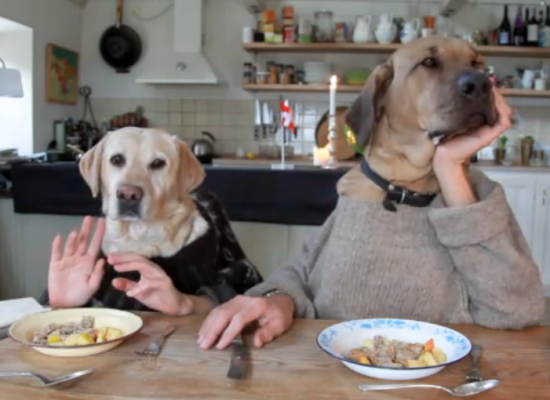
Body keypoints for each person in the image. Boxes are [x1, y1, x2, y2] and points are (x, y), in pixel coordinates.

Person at [197, 91, 545, 350]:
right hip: (328, 374)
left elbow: (516, 310)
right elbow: (305, 268)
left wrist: (450, 169)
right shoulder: (362, 190)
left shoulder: (477, 194)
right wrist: (278, 299)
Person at [42, 189, 263, 315]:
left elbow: (248, 297)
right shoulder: (91, 270)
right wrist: (60, 307)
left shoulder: (202, 211)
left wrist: (186, 304)